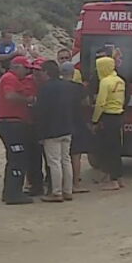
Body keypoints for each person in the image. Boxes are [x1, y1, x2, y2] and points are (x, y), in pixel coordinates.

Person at [0, 56, 37, 204]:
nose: (26, 72)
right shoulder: (10, 78)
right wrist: (27, 100)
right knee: (17, 159)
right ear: (16, 67)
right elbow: (9, 96)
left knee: (14, 158)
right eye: (25, 68)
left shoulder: (13, 79)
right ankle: (13, 194)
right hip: (12, 123)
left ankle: (10, 192)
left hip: (12, 123)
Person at [34, 60, 74, 202]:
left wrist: (40, 132)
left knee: (54, 162)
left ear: (46, 72)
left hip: (51, 129)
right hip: (67, 127)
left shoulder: (45, 88)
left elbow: (41, 112)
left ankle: (57, 192)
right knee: (66, 160)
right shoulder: (67, 86)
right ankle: (68, 190)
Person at [92, 56, 126, 191]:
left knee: (108, 149)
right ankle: (120, 178)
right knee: (116, 149)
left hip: (108, 117)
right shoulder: (120, 81)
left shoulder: (105, 82)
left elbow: (101, 103)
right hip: (119, 116)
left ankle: (113, 181)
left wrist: (95, 120)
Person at [60, 62, 92, 193]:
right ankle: (76, 184)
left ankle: (63, 184)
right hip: (77, 122)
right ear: (73, 73)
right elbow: (86, 103)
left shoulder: (58, 87)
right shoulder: (79, 88)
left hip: (62, 122)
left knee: (62, 156)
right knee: (76, 155)